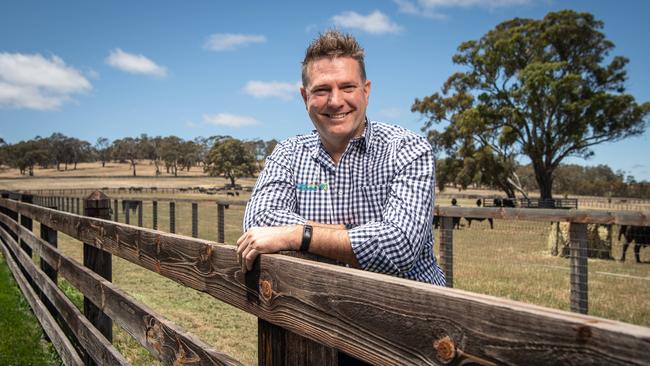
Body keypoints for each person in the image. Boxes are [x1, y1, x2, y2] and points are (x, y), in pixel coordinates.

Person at [236, 30, 445, 285]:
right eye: (322, 90)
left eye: (347, 87)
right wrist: (354, 235)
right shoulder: (288, 153)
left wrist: (298, 234)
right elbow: (259, 221)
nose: (335, 101)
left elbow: (399, 248)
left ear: (366, 91)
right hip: (321, 315)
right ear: (305, 97)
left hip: (411, 315)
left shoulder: (408, 149)